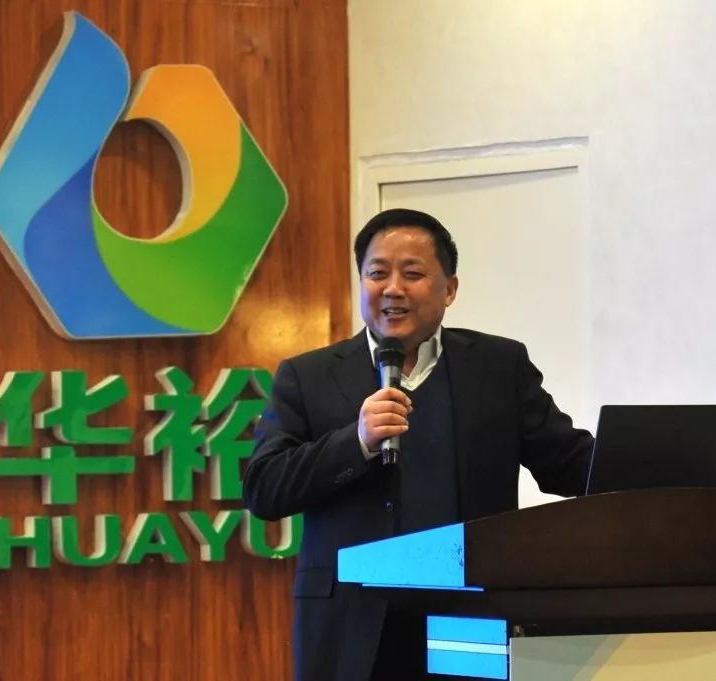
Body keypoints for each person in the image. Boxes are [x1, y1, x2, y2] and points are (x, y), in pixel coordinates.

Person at [244, 208, 594, 681]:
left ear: (449, 288)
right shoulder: (308, 375)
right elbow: (264, 488)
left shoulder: (498, 366)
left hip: (469, 618)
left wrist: (666, 465)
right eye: (377, 274)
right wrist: (356, 442)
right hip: (351, 626)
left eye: (412, 274)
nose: (393, 289)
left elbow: (568, 463)